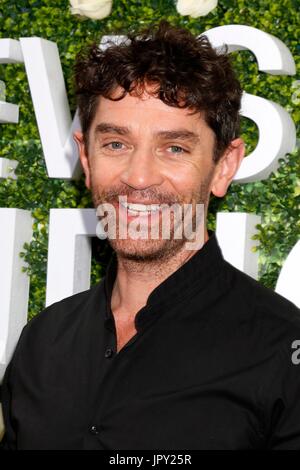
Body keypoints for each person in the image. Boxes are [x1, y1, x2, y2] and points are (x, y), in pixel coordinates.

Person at [1, 20, 300, 450]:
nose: (138, 177)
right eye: (116, 144)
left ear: (224, 166)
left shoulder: (281, 352)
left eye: (174, 148)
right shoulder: (43, 341)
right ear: (86, 158)